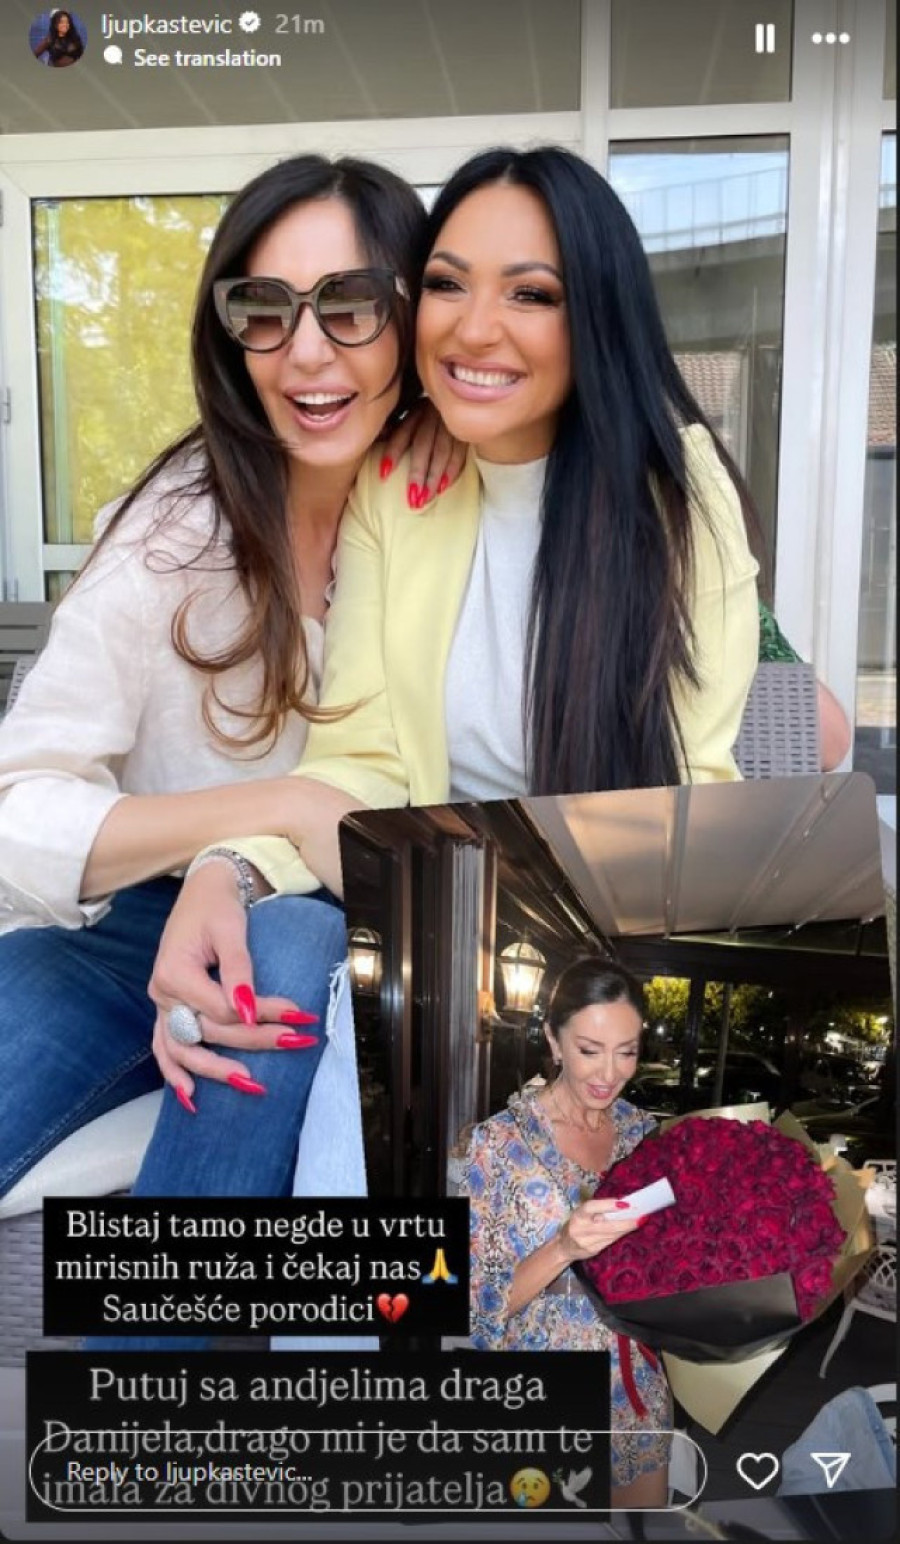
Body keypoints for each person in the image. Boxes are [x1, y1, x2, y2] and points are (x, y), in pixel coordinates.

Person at [150, 143, 763, 1050]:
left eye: (532, 294)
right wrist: (227, 869)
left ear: (598, 316)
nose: (474, 330)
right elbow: (360, 760)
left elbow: (699, 786)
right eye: (447, 284)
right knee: (278, 951)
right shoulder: (396, 485)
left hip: (610, 940)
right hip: (433, 926)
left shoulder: (677, 493)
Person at [0, 153, 463, 1235]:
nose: (306, 349)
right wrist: (267, 811)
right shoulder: (174, 537)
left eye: (352, 304)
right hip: (128, 926)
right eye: (265, 307)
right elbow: (18, 806)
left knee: (292, 944)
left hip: (356, 929)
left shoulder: (445, 505)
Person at [465, 957, 672, 1510]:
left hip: (635, 1382)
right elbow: (473, 1306)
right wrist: (563, 1247)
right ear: (555, 1042)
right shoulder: (498, 1144)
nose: (609, 1072)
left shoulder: (643, 1133)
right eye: (589, 1050)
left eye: (626, 1051)